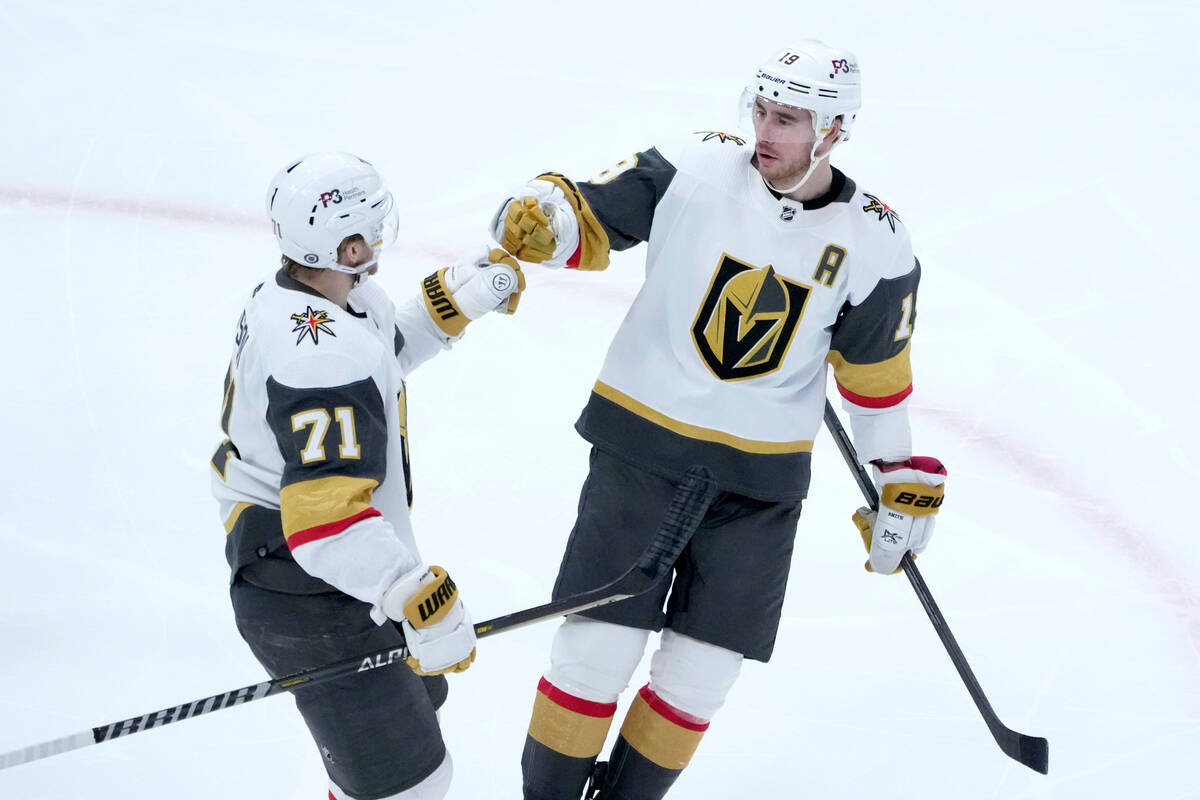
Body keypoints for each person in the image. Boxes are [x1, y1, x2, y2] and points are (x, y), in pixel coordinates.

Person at [490, 40, 949, 799]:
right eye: (762, 110)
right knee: (597, 651)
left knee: (701, 675)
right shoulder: (695, 167)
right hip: (642, 452)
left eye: (789, 118)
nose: (766, 130)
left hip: (759, 487)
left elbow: (875, 377)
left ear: (833, 129)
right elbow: (592, 215)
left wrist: (897, 475)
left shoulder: (875, 238)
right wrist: (546, 219)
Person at [211, 152, 524, 800]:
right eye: (372, 225)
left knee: (394, 764)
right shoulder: (319, 353)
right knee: (408, 786)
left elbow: (373, 364)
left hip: (308, 567)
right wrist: (412, 593)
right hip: (306, 585)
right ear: (344, 241)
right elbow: (326, 523)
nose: (382, 235)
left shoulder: (309, 298)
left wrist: (452, 301)